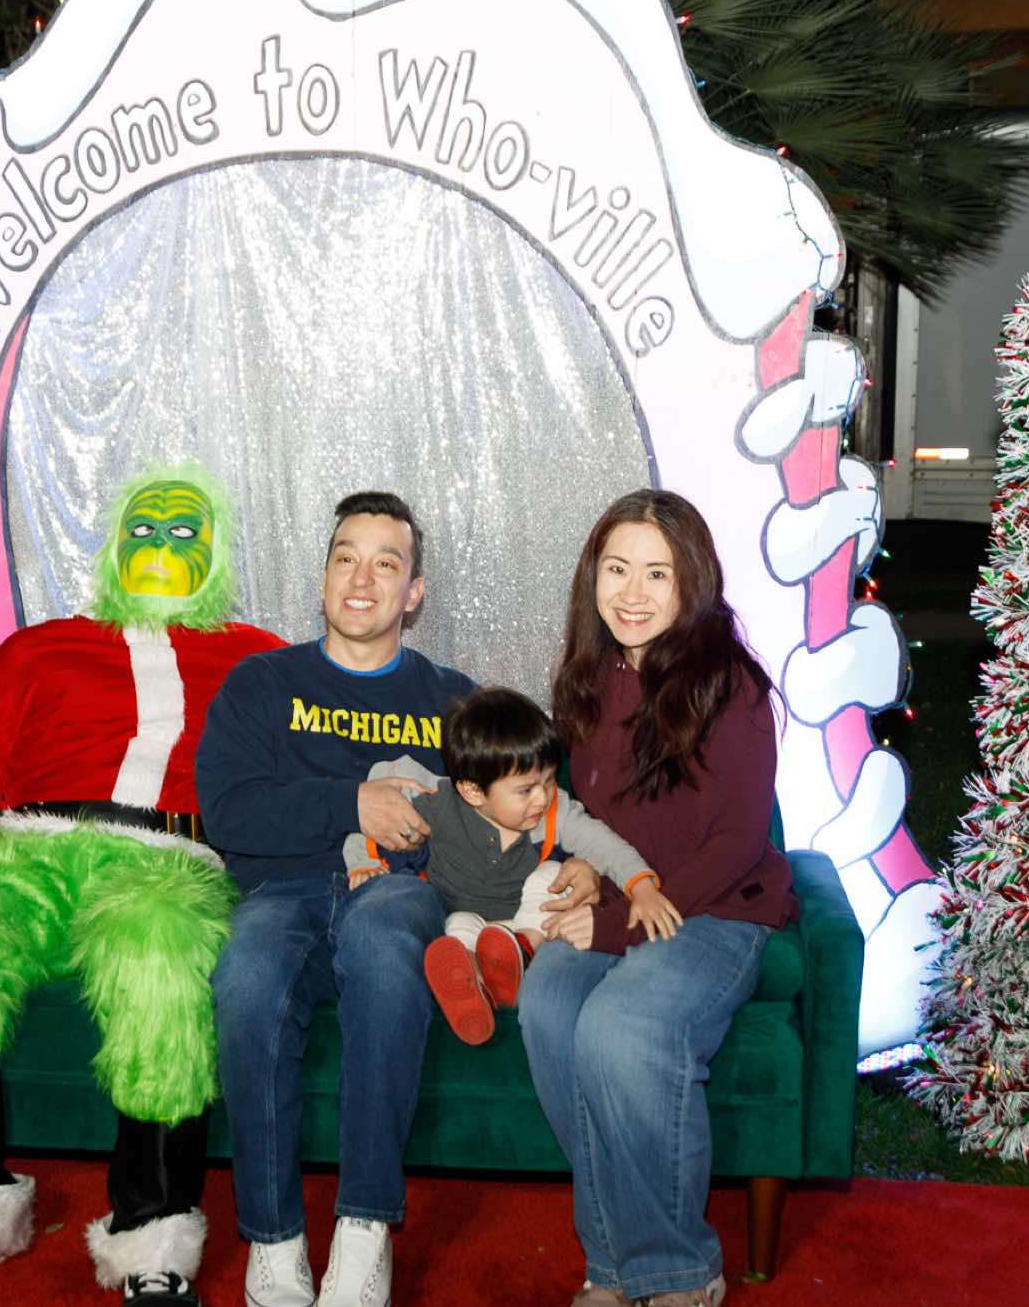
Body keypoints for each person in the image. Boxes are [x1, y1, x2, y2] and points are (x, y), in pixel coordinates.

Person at [0, 467, 285, 1307]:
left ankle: (153, 1236)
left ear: (217, 551)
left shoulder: (259, 657)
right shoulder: (36, 647)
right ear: (113, 546)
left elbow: (292, 771)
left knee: (162, 952)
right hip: (24, 854)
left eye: (183, 531)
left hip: (167, 862)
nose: (160, 545)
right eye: (143, 530)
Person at [196, 492, 601, 1307]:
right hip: (283, 891)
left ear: (413, 593)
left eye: (387, 563)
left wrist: (583, 860)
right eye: (346, 557)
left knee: (386, 940)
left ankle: (364, 1229)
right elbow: (228, 809)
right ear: (322, 578)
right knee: (246, 977)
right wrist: (351, 802)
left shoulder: (455, 701)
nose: (362, 578)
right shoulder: (261, 683)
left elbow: (527, 798)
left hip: (403, 892)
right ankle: (273, 1240)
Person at [519, 489, 796, 1307]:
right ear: (592, 577)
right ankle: (612, 1265)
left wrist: (612, 923)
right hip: (632, 898)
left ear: (691, 582)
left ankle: (680, 1272)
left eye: (656, 573)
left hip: (720, 907)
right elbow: (604, 815)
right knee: (547, 1000)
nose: (632, 593)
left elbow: (734, 843)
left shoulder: (730, 685)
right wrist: (588, 867)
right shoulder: (589, 679)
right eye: (617, 569)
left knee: (623, 1026)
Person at [341, 687, 682, 1045]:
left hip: (527, 924)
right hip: (473, 925)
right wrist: (364, 865)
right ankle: (474, 985)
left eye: (549, 780)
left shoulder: (554, 812)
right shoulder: (436, 806)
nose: (543, 797)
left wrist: (641, 886)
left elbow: (605, 845)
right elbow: (374, 827)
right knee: (456, 928)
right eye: (526, 790)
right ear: (473, 791)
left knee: (553, 876)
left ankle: (523, 951)